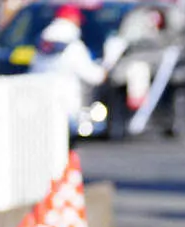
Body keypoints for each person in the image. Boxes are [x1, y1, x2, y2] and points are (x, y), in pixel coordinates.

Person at [29, 5, 126, 134]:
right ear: (73, 20)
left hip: (40, 101)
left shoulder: (42, 44)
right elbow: (94, 76)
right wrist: (107, 66)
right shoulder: (73, 47)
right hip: (66, 105)